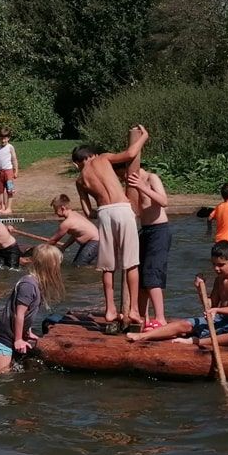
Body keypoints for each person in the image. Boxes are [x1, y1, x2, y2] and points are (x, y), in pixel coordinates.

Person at [72, 125, 149, 327]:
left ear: (77, 162)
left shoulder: (80, 180)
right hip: (122, 209)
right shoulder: (103, 158)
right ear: (92, 155)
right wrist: (144, 137)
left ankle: (110, 309)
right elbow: (130, 153)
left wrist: (103, 212)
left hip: (104, 213)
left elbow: (88, 212)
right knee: (131, 263)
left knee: (108, 266)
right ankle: (133, 309)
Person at [127, 240, 228, 347]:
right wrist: (200, 290)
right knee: (184, 324)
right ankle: (143, 336)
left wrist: (216, 310)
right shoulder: (219, 279)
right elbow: (210, 305)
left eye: (221, 265)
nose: (216, 268)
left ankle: (197, 341)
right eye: (214, 264)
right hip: (220, 320)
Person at [0, 243, 63, 372]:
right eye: (58, 264)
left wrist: (27, 332)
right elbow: (19, 314)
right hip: (2, 337)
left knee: (12, 370)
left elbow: (29, 313)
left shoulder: (37, 284)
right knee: (1, 374)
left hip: (12, 335)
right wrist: (18, 340)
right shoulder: (28, 285)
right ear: (50, 265)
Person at [130, 163, 171, 329]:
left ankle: (160, 318)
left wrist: (142, 187)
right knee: (140, 277)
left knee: (152, 274)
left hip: (159, 230)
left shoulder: (151, 178)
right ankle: (143, 317)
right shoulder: (130, 185)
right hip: (145, 231)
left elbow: (163, 201)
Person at [46, 195, 100, 267]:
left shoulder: (67, 223)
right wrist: (64, 247)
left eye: (56, 210)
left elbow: (53, 240)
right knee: (76, 264)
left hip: (94, 242)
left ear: (62, 208)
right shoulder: (75, 214)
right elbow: (75, 235)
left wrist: (41, 251)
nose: (55, 212)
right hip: (94, 242)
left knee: (78, 266)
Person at [0, 129, 19, 208]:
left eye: (4, 138)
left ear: (8, 138)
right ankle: (2, 206)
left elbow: (14, 159)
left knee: (10, 190)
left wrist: (16, 171)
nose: (3, 140)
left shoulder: (10, 147)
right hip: (0, 172)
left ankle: (9, 207)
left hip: (8, 172)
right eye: (1, 138)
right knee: (0, 191)